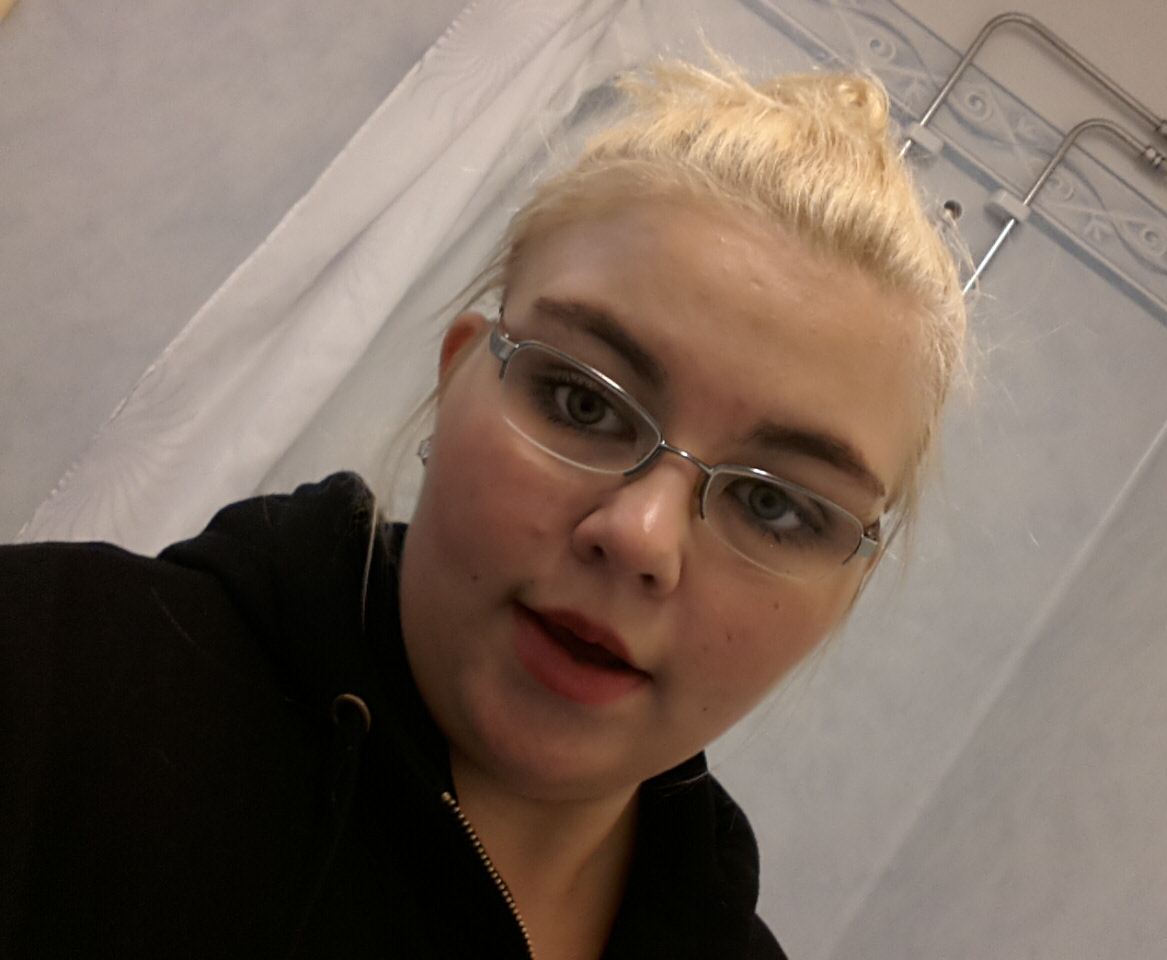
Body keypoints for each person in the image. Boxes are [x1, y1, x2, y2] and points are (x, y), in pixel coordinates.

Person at [0, 59, 966, 959]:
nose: (639, 538)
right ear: (457, 374)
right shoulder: (49, 681)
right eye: (583, 402)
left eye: (774, 505)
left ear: (847, 590)